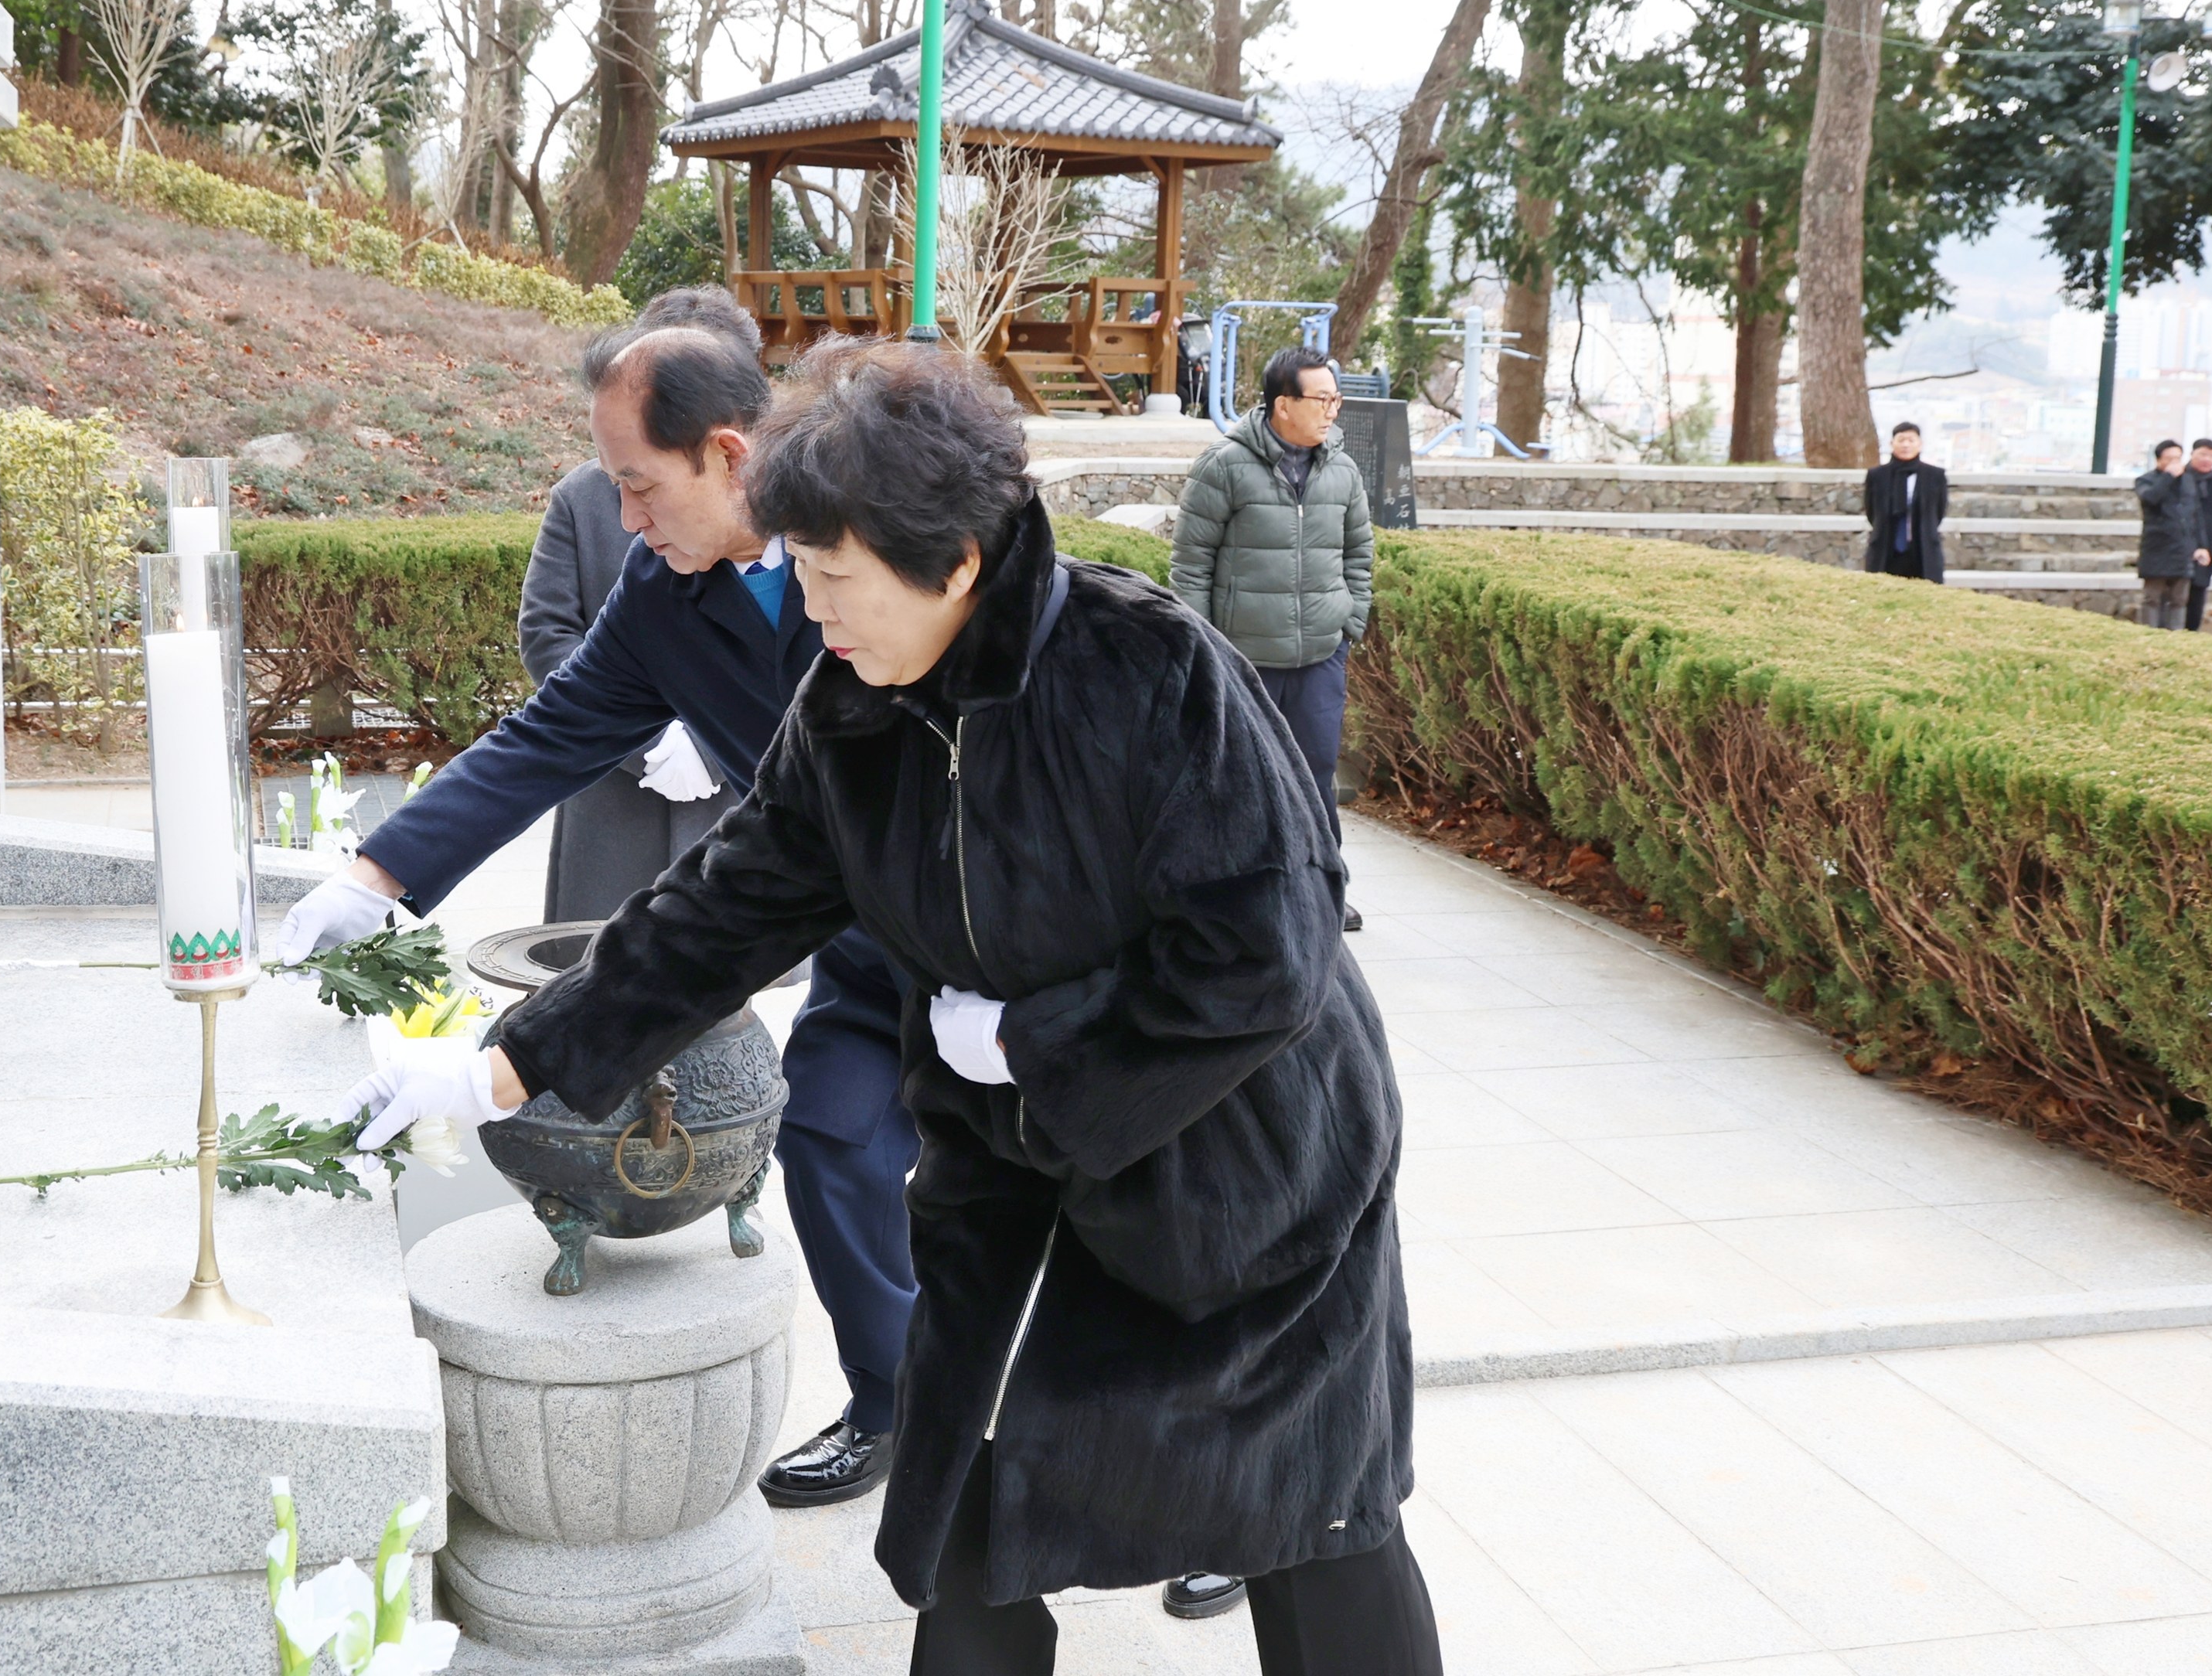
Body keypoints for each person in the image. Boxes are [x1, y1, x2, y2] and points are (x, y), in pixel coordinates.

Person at [343, 339, 1437, 1676]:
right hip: (1016, 1166)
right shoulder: (852, 708)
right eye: (800, 575)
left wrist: (1030, 1041)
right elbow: (719, 913)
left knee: (1305, 1516)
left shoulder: (1146, 671)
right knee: (968, 1509)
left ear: (956, 561)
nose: (819, 614)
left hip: (1245, 1160)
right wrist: (502, 1068)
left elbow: (1269, 951)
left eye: (834, 579)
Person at [278, 324, 917, 1508]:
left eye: (637, 483)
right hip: (861, 938)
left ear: (730, 455)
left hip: (1012, 929)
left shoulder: (888, 539)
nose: (624, 519)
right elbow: (554, 729)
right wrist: (375, 876)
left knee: (1080, 1191)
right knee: (831, 1137)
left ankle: (1197, 1455)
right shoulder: (664, 585)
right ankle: (898, 1405)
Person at [518, 288, 752, 921]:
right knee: (600, 962)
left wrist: (705, 740)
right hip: (614, 791)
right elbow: (547, 634)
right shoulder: (581, 496)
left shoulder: (804, 530)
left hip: (730, 793)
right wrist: (648, 743)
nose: (631, 514)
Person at [1170, 344, 1372, 941]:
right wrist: (1208, 650)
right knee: (1235, 777)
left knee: (1315, 777)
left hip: (1317, 659)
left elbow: (1359, 555)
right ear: (1283, 404)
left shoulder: (1342, 470)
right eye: (1322, 399)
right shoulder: (1224, 465)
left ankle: (1323, 892)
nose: (1332, 410)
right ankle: (1233, 896)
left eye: (1336, 398)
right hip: (1242, 660)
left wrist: (1346, 626)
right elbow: (1190, 565)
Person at [2135, 439, 2212, 631]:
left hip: (2183, 548)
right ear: (2159, 460)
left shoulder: (2188, 481)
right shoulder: (2146, 480)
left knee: (2179, 599)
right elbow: (2151, 498)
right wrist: (2168, 476)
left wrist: (2201, 546)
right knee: (2152, 598)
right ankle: (2149, 634)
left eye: (2178, 458)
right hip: (2157, 547)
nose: (2175, 463)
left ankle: (2176, 637)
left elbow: (2196, 515)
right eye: (2169, 459)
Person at [1862, 421, 1947, 582]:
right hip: (1886, 547)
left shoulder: (1935, 476)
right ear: (1892, 443)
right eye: (1901, 440)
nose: (1906, 445)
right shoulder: (1877, 475)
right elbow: (1871, 510)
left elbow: (1939, 511)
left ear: (1919, 444)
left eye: (1911, 440)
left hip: (1923, 548)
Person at [2187, 438, 2212, 633]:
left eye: (2211, 455)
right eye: (2203, 454)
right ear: (2192, 454)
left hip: (2208, 544)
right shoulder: (2180, 477)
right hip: (2180, 542)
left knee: (2199, 588)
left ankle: (2192, 630)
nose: (2207, 459)